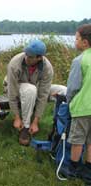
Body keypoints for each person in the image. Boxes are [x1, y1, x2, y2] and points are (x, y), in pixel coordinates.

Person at [6, 40, 67, 146]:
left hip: (36, 88)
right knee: (31, 89)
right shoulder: (14, 63)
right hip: (16, 87)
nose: (26, 57)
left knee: (64, 90)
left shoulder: (47, 67)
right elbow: (12, 93)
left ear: (39, 58)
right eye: (26, 54)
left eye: (30, 56)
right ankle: (25, 128)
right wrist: (16, 117)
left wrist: (36, 121)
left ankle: (61, 127)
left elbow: (43, 94)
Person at [64, 24, 91, 184]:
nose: (75, 41)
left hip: (82, 108)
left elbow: (73, 87)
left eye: (76, 38)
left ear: (85, 42)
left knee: (77, 139)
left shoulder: (79, 60)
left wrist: (69, 102)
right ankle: (88, 170)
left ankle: (73, 168)